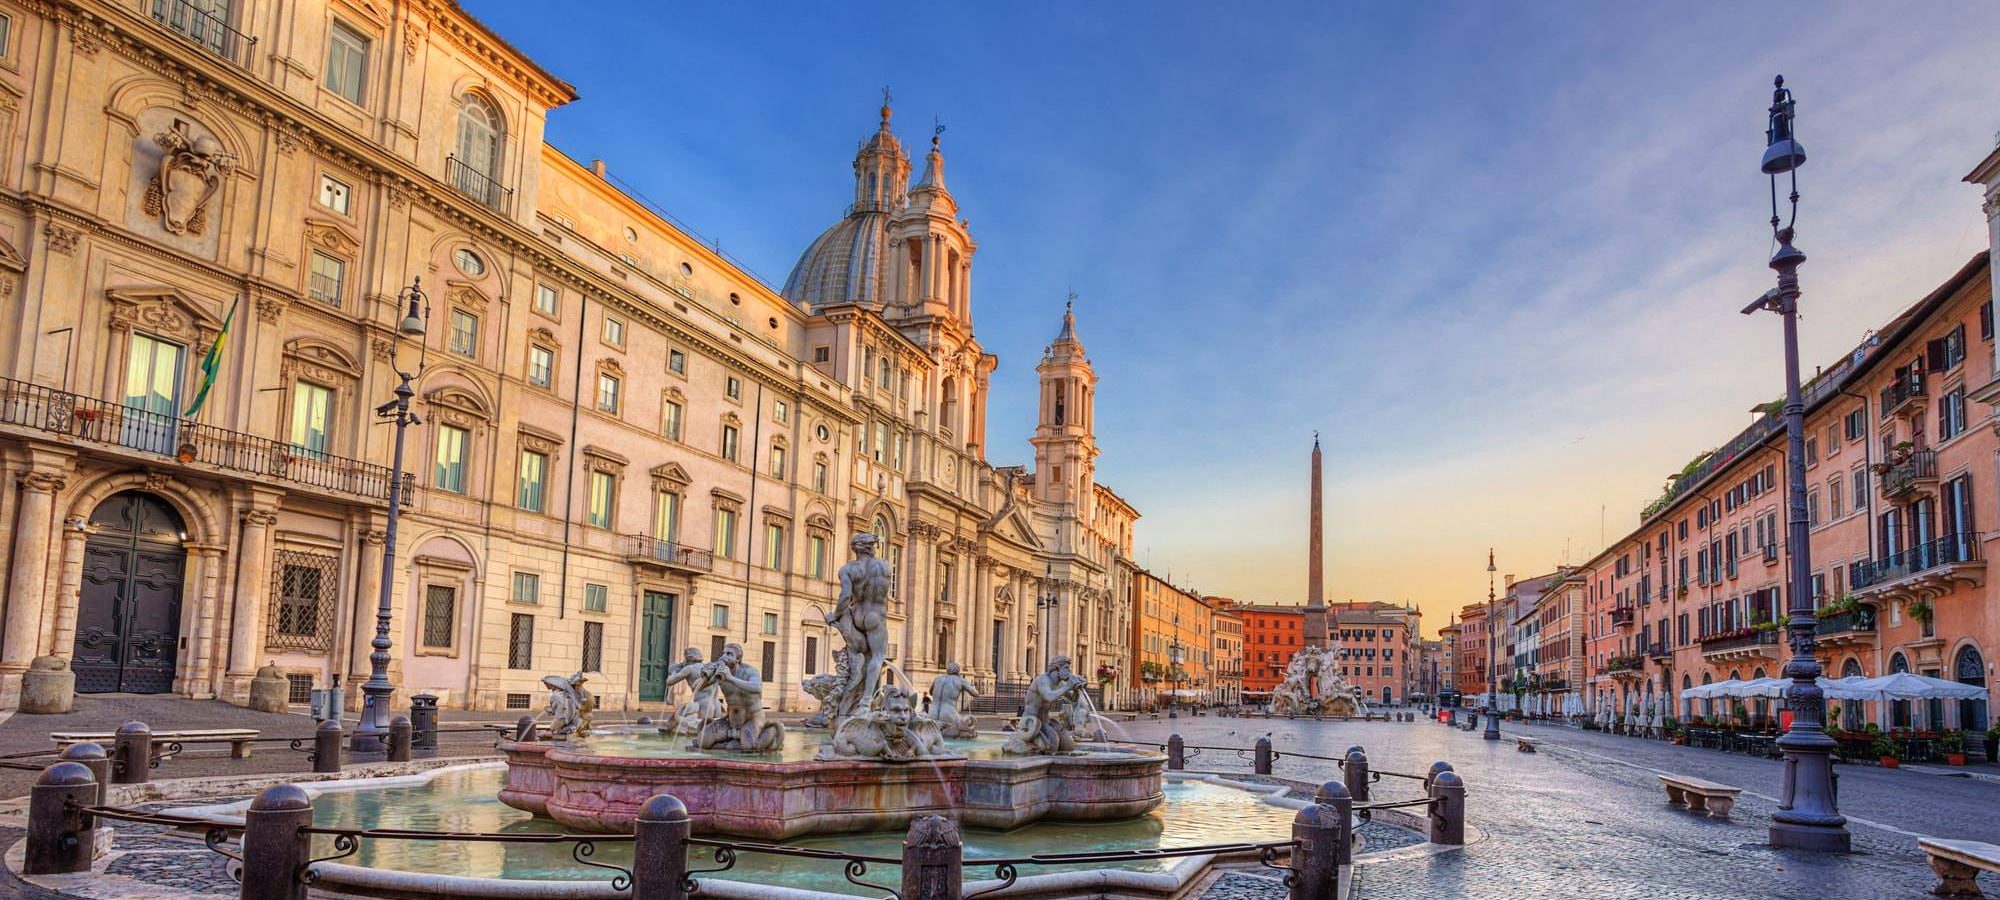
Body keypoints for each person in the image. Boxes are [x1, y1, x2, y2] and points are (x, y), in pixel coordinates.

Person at [830, 533, 893, 716]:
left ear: (855, 548)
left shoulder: (848, 569)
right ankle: (866, 702)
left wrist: (835, 615)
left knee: (860, 653)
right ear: (871, 547)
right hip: (876, 615)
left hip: (857, 614)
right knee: (877, 656)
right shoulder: (884, 566)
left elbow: (845, 597)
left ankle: (852, 697)